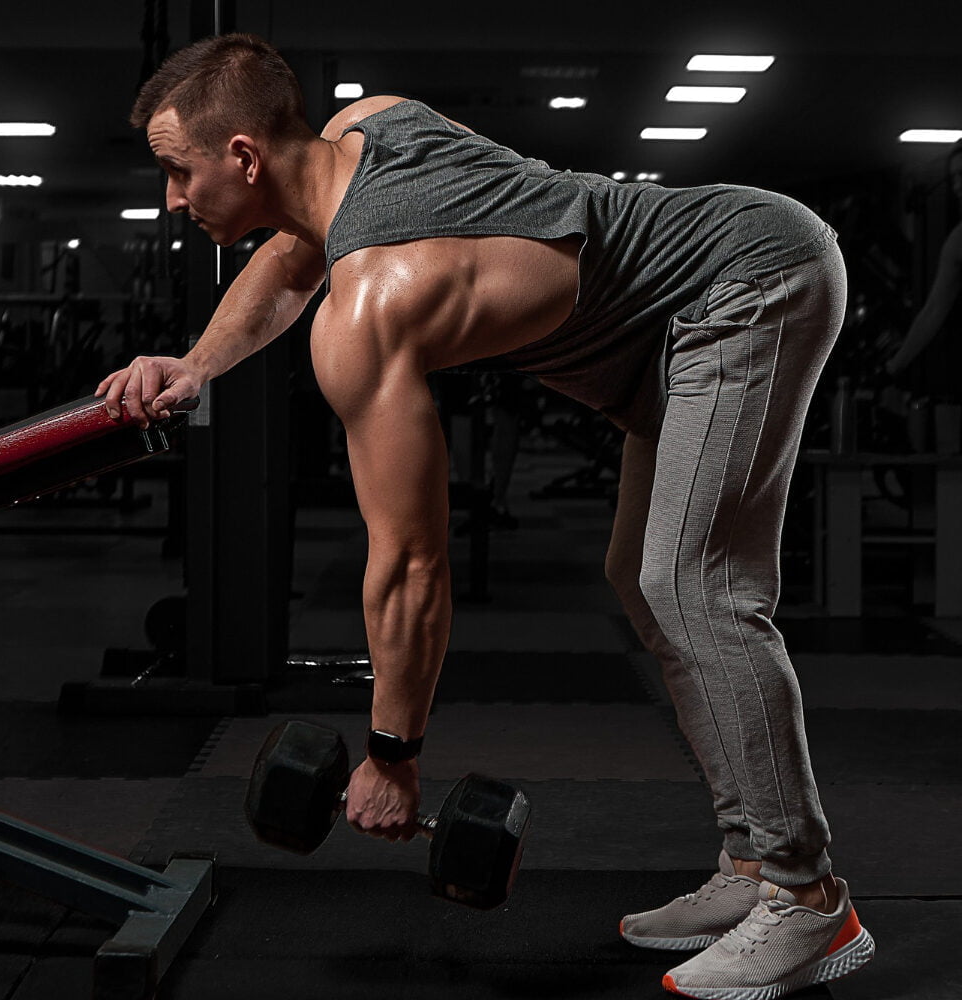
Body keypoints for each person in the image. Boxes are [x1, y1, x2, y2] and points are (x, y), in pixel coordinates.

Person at [96, 33, 874, 999]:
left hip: (744, 278)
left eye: (179, 172)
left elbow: (413, 560)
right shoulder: (364, 123)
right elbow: (296, 252)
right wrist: (198, 365)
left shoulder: (377, 305)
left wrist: (393, 754)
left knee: (697, 587)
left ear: (244, 157)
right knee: (644, 578)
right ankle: (753, 863)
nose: (173, 198)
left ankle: (807, 897)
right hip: (670, 328)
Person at [886, 142, 962, 379]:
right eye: (954, 178)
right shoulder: (958, 241)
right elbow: (933, 310)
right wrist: (895, 365)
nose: (957, 186)